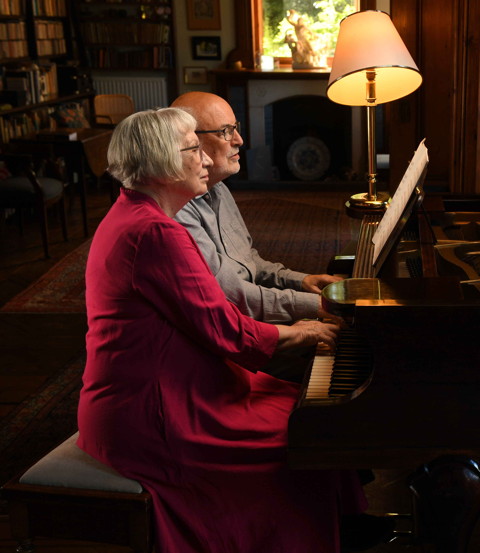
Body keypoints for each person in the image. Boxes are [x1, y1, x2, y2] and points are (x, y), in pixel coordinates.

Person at [76, 108, 388, 553]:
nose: (205, 159)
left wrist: (300, 324)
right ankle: (310, 536)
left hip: (161, 391)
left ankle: (343, 524)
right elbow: (223, 327)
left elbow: (218, 312)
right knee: (301, 432)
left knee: (302, 409)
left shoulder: (136, 214)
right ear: (164, 160)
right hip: (151, 414)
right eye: (193, 149)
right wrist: (302, 332)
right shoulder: (155, 232)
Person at [171, 92, 342, 382]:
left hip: (252, 322)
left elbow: (249, 262)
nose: (239, 140)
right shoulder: (176, 209)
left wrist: (300, 280)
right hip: (224, 349)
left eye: (236, 127)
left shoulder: (219, 187)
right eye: (226, 131)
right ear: (190, 140)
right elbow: (233, 298)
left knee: (336, 342)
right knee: (328, 374)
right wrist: (321, 306)